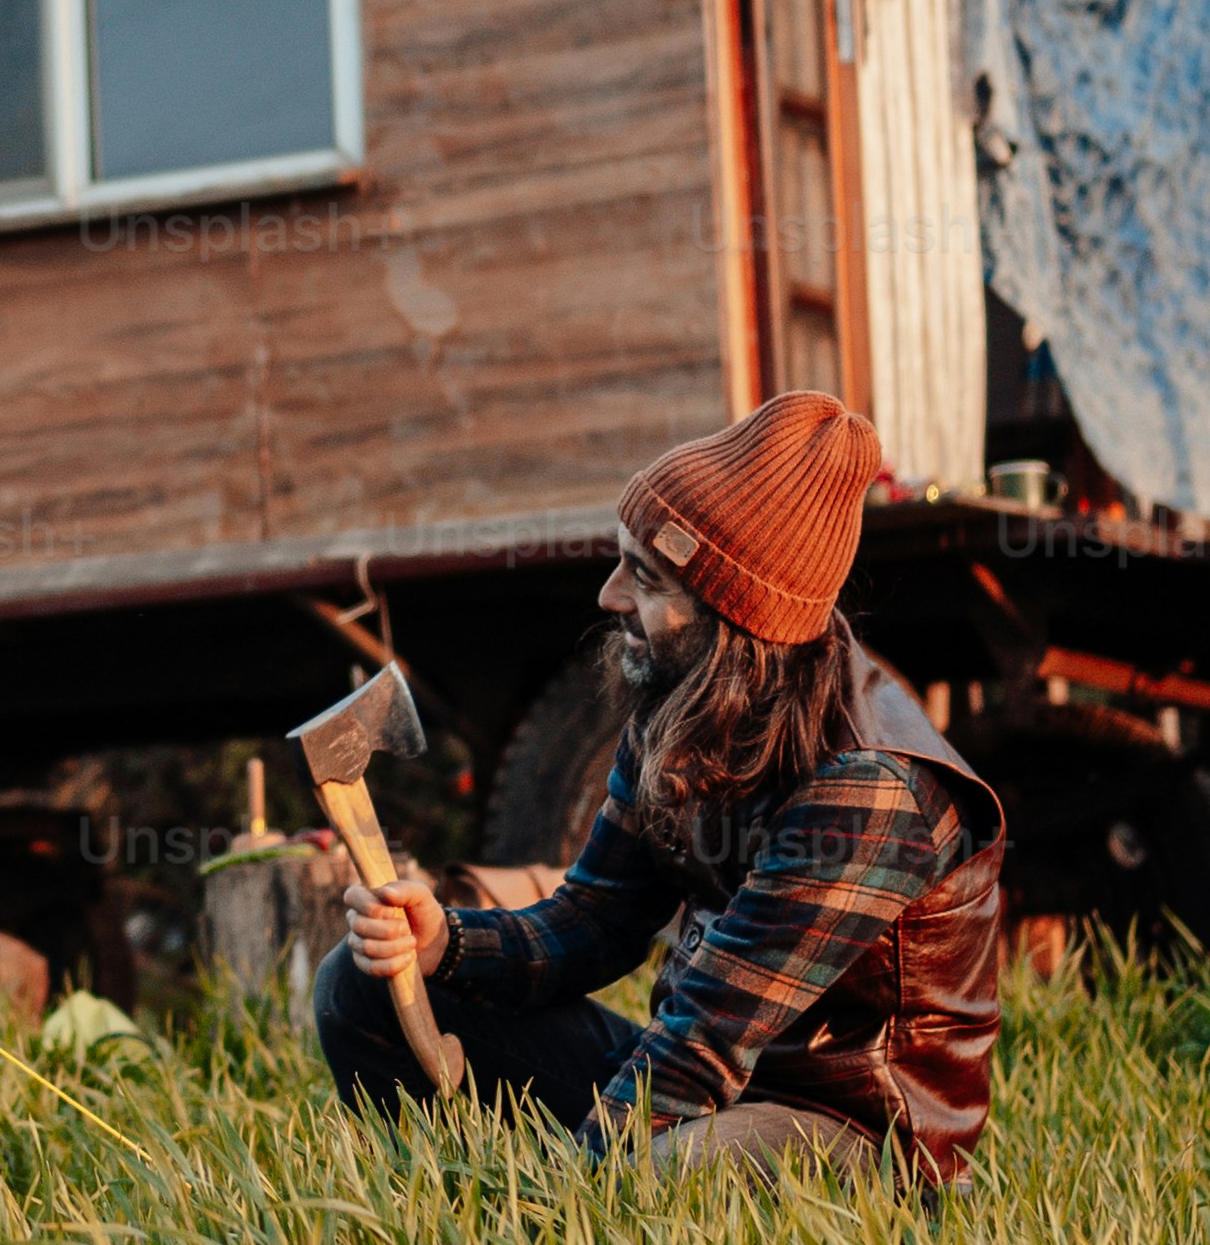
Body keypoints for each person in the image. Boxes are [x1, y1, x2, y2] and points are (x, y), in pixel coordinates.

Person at [321, 391, 1004, 1190]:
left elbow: (705, 1039)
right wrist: (452, 942)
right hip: (707, 1085)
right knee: (359, 985)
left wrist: (561, 1197)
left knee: (649, 1175)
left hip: (856, 1134)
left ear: (731, 613)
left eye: (643, 577)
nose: (610, 597)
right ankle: (438, 1201)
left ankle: (521, 1227)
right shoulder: (688, 702)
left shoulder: (872, 785)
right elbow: (594, 919)